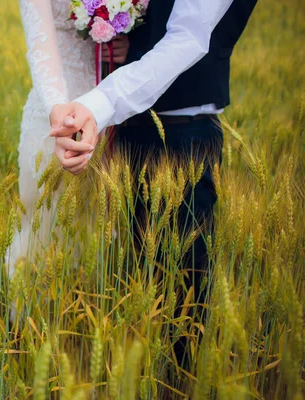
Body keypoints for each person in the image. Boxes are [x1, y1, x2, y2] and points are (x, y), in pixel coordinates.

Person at [48, 0, 257, 372]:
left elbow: (186, 39)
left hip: (183, 140)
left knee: (184, 303)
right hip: (128, 133)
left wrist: (98, 103)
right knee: (137, 284)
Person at [5, 0, 129, 280]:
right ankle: (30, 319)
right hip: (54, 113)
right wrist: (61, 117)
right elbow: (40, 49)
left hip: (109, 111)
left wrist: (125, 46)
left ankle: (88, 312)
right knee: (42, 224)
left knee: (97, 226)